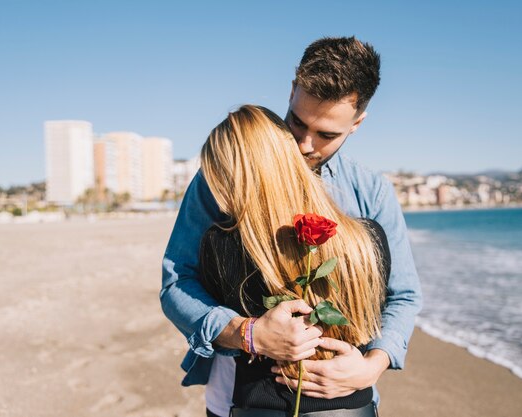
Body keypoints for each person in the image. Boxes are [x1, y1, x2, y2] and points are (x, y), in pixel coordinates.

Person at [161, 36, 422, 417]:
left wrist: (371, 366)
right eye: (296, 122)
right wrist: (247, 334)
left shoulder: (371, 191)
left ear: (357, 123)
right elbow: (176, 281)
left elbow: (403, 295)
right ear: (292, 91)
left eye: (326, 134)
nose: (303, 144)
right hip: (236, 401)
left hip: (346, 404)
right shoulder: (224, 177)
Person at [199, 105, 390, 416]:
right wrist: (374, 364)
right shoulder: (368, 239)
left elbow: (212, 316)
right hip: (353, 407)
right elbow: (385, 310)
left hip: (259, 406)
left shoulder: (219, 244)